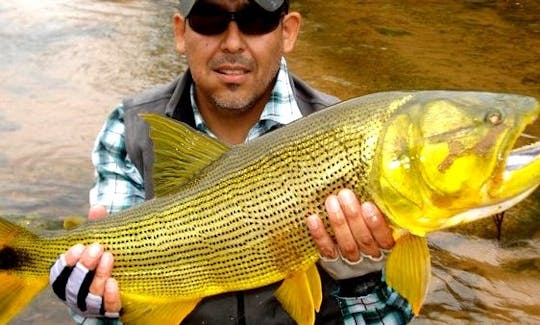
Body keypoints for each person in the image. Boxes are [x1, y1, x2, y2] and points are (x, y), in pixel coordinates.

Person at [49, 0, 414, 324]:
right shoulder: (131, 128)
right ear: (180, 32)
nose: (233, 42)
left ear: (288, 32)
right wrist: (96, 307)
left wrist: (361, 279)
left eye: (256, 19)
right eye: (210, 18)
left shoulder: (360, 143)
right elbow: (111, 306)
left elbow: (391, 317)